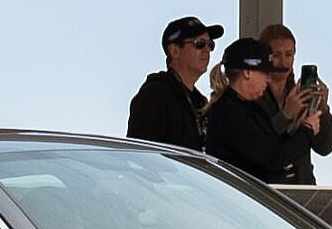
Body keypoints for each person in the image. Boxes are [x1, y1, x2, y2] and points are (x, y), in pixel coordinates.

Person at [204, 37, 309, 184]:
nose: (269, 80)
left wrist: (298, 126)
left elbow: (271, 147)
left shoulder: (250, 108)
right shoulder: (231, 113)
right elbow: (273, 157)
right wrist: (307, 131)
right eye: (265, 73)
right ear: (247, 72)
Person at [126, 15, 223, 151]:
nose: (207, 49)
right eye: (199, 43)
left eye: (210, 44)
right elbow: (140, 154)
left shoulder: (200, 102)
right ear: (174, 51)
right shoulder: (154, 95)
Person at [258, 22, 332, 185]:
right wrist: (286, 114)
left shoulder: (301, 94)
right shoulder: (255, 96)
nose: (283, 62)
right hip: (268, 185)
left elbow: (324, 147)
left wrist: (323, 110)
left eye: (288, 55)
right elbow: (262, 144)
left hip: (302, 185)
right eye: (276, 55)